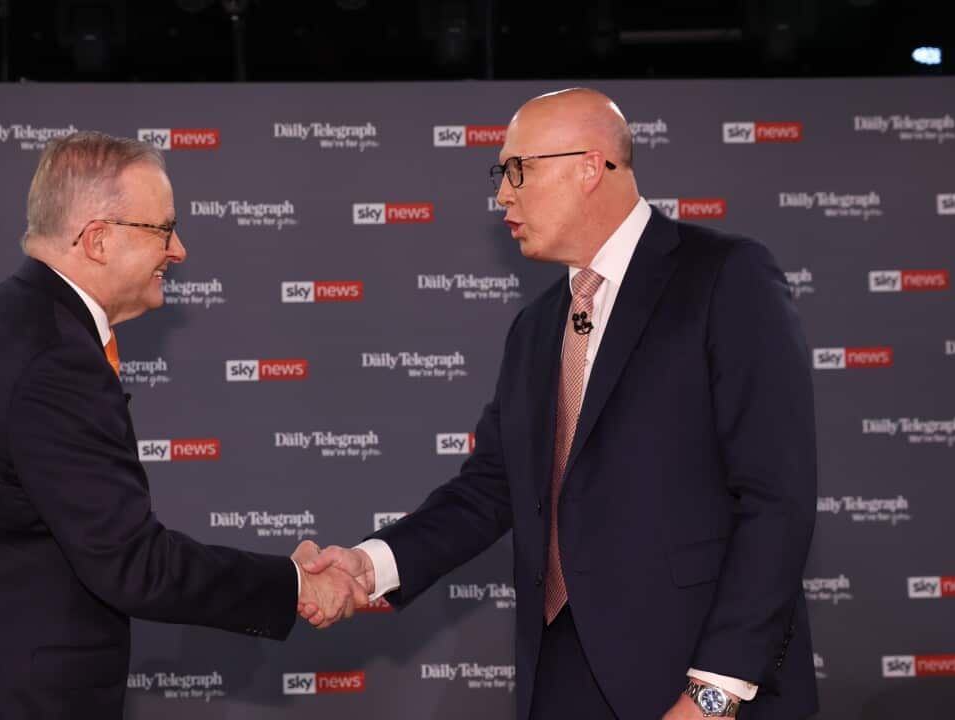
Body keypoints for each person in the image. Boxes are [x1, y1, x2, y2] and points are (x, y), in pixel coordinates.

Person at [301, 89, 818, 720]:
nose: (502, 196)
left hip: (696, 680)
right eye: (502, 175)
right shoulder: (537, 325)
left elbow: (776, 498)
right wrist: (367, 565)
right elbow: (488, 490)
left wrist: (714, 693)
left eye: (519, 169)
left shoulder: (725, 278)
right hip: (560, 676)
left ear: (589, 165)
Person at [0, 131, 365, 720]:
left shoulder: (6, 319)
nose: (178, 250)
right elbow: (133, 564)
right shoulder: (54, 357)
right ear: (98, 239)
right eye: (162, 229)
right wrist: (295, 585)